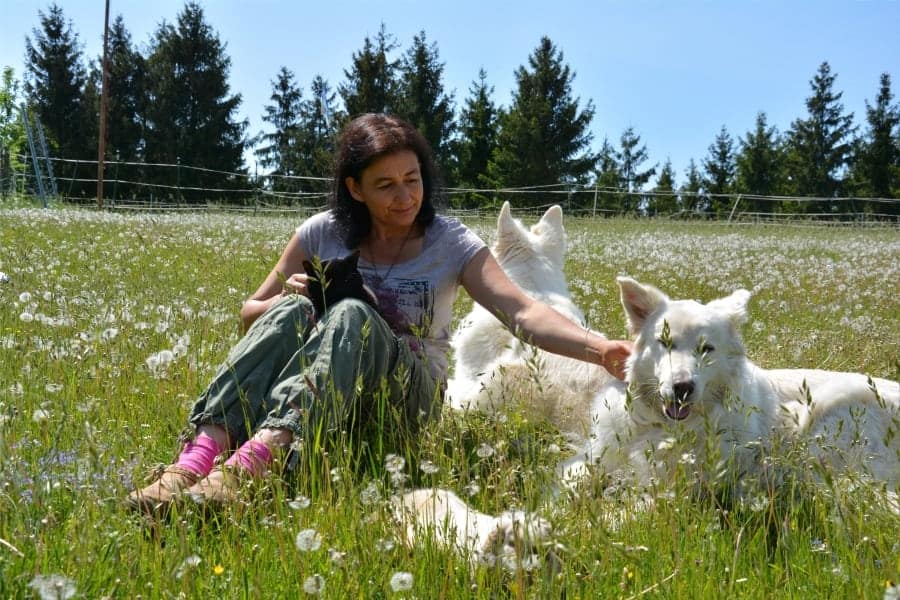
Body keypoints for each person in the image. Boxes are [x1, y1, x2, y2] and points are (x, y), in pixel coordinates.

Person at [126, 113, 632, 514]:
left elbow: (522, 312)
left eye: (412, 179)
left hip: (406, 404)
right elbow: (249, 314)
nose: (405, 196)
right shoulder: (320, 232)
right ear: (355, 189)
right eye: (385, 184)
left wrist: (601, 349)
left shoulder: (452, 243)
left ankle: (251, 469)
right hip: (323, 392)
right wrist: (292, 298)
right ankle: (194, 463)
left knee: (350, 315)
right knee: (287, 313)